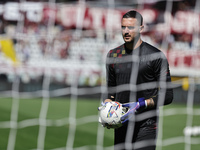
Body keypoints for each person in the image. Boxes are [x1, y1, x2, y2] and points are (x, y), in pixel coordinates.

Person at [102, 10, 173, 150]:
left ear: (141, 28)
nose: (126, 31)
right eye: (123, 27)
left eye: (131, 27)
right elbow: (111, 91)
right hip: (122, 124)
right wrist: (108, 107)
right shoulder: (113, 55)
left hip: (146, 124)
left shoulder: (155, 56)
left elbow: (168, 95)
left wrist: (141, 104)